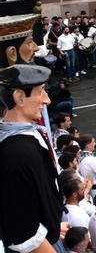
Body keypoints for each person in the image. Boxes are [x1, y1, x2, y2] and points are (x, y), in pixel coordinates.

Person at [0, 64, 67, 252]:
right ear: (19, 98)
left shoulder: (26, 137)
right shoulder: (18, 154)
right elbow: (23, 232)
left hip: (47, 235)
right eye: (40, 91)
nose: (46, 99)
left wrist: (52, 226)